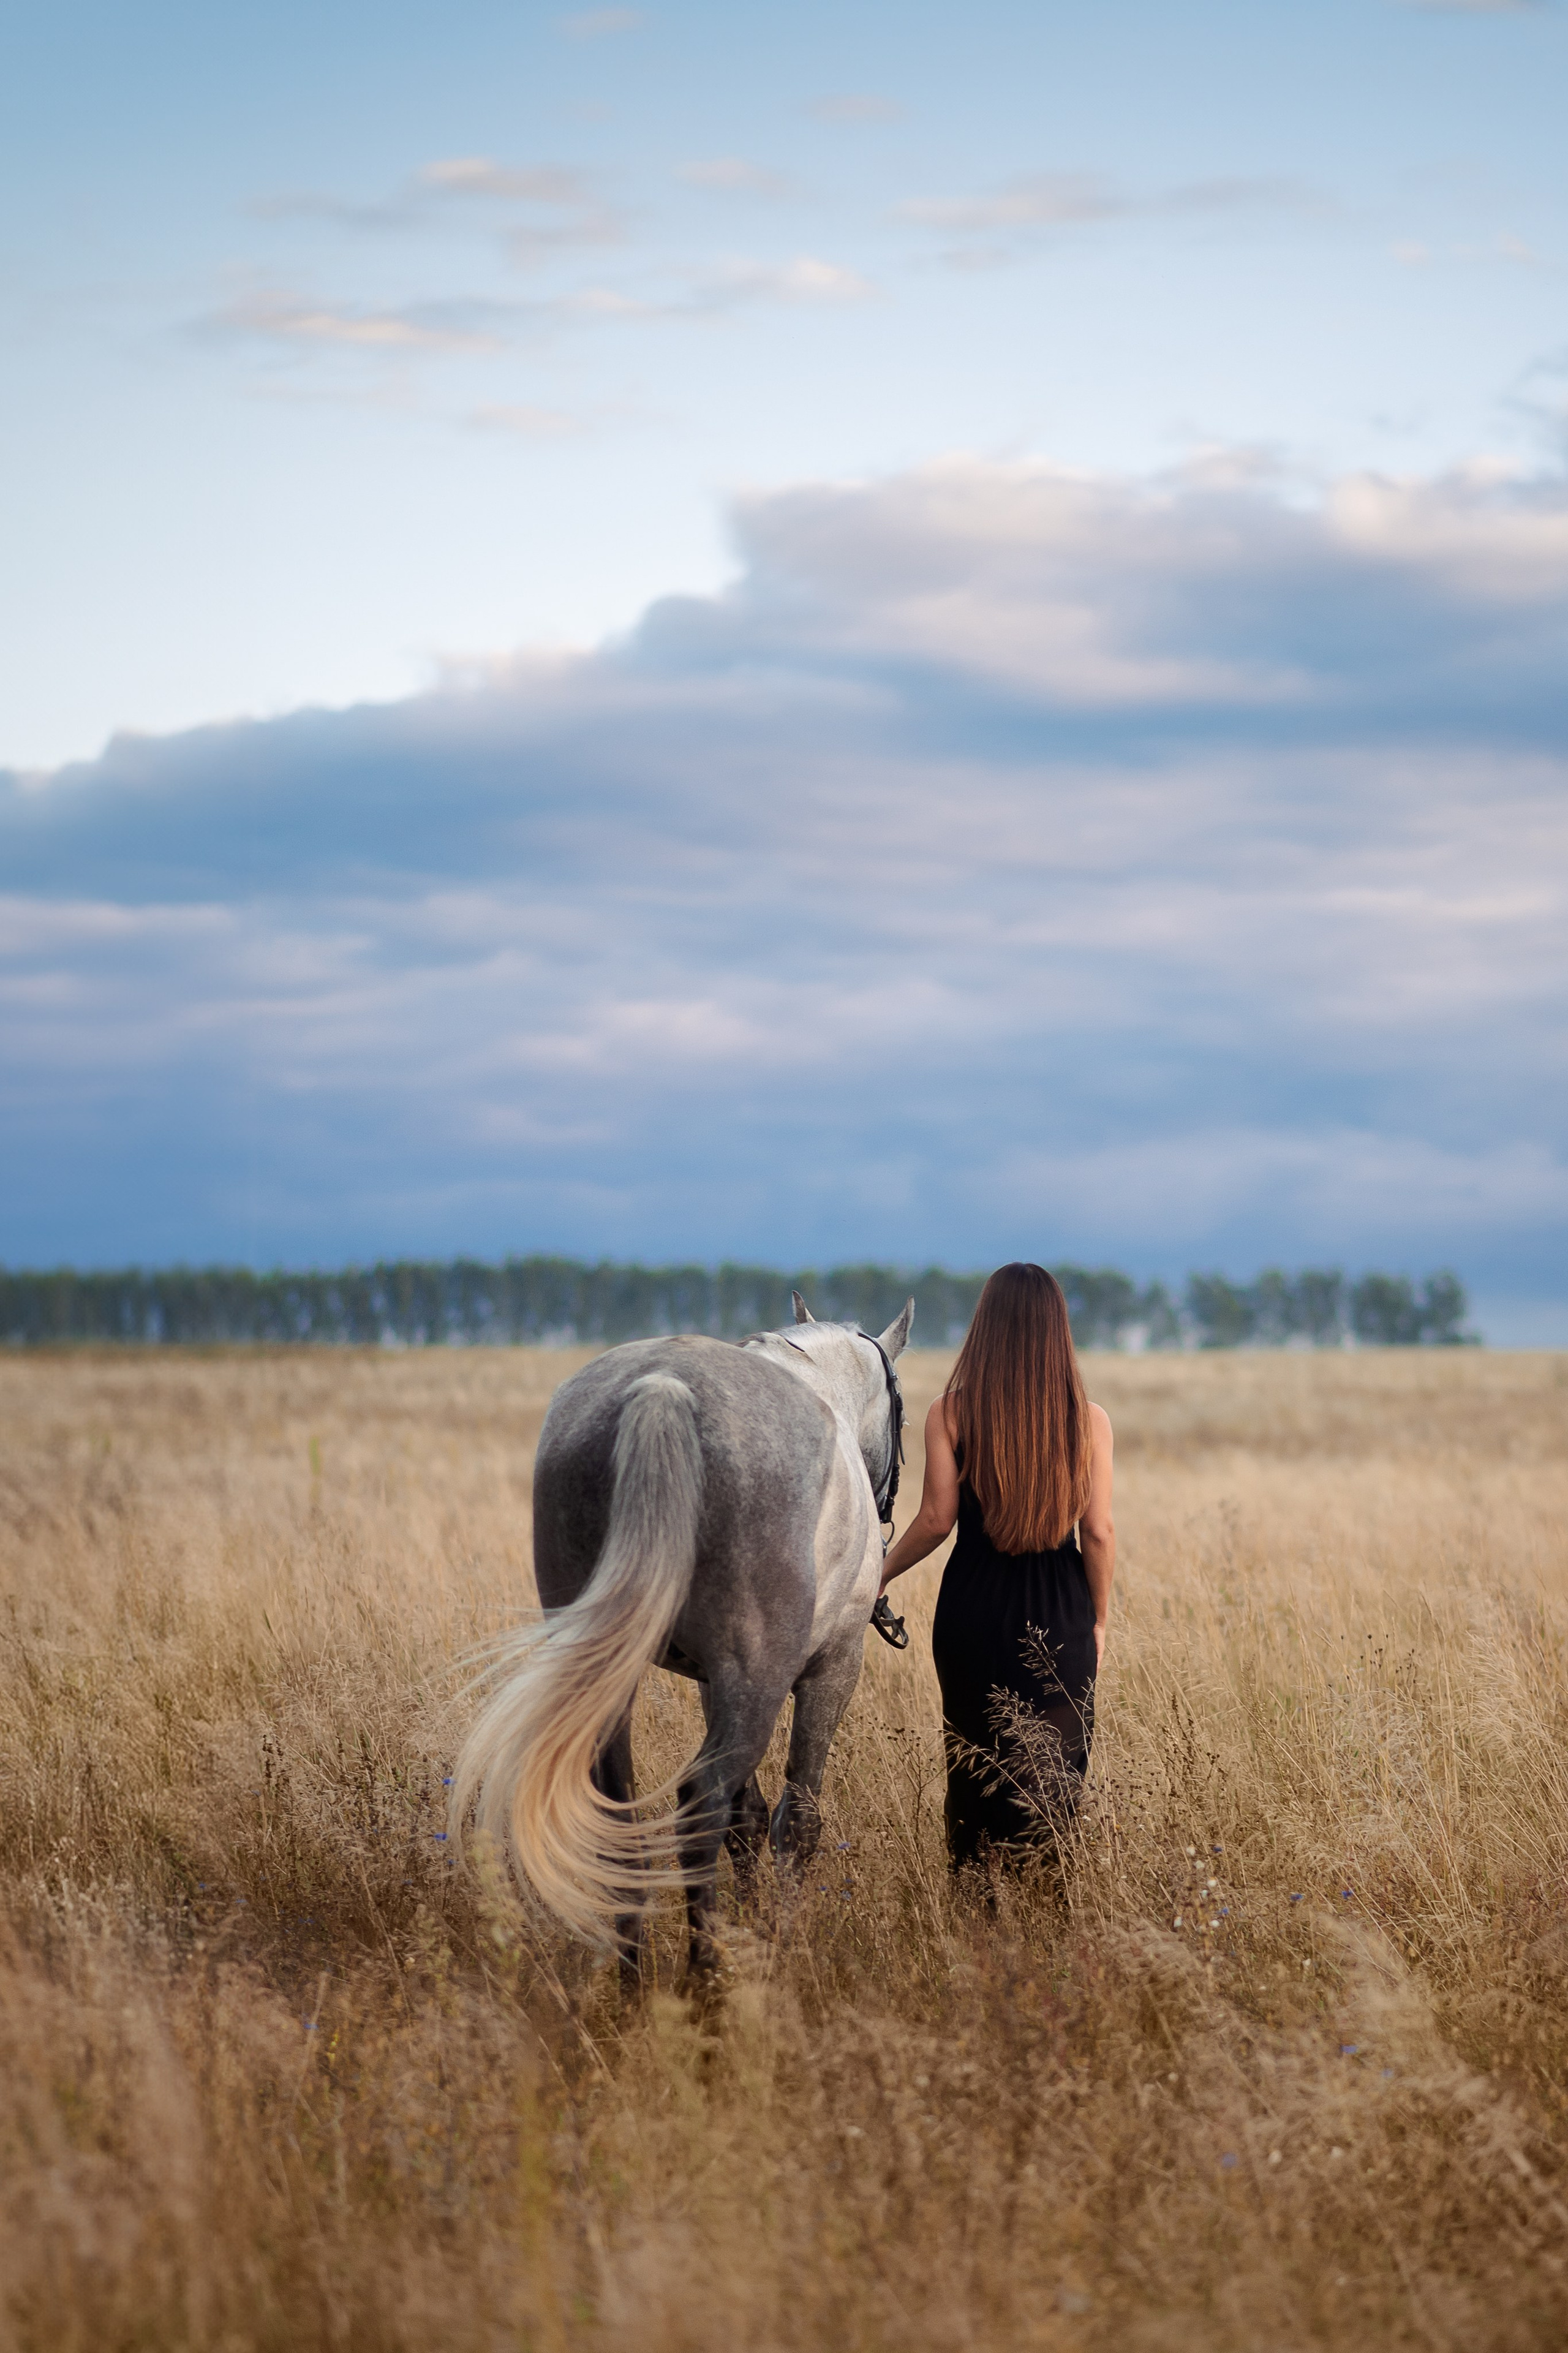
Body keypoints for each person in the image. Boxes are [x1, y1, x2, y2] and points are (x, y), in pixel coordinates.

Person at [876, 1263, 1115, 1868]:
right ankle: (1046, 1900)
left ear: (986, 1326)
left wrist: (875, 1572)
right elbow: (1098, 1531)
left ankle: (974, 1905)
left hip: (972, 1610)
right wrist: (1100, 1619)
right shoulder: (1088, 1420)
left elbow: (935, 1520)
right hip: (1061, 1609)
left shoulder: (949, 1412)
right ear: (1055, 1330)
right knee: (1054, 1779)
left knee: (974, 1765)